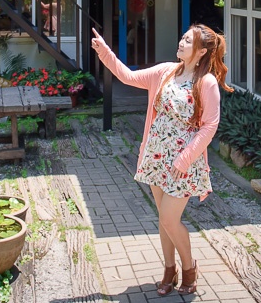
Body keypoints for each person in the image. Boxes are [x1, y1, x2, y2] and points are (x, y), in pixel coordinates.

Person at [91, 23, 233, 296]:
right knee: (162, 218)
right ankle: (169, 269)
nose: (181, 43)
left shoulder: (206, 82)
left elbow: (209, 126)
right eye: (182, 38)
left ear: (202, 51)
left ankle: (189, 268)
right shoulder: (165, 71)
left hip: (184, 162)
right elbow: (127, 76)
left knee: (170, 219)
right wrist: (105, 52)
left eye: (188, 41)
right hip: (156, 156)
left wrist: (184, 159)